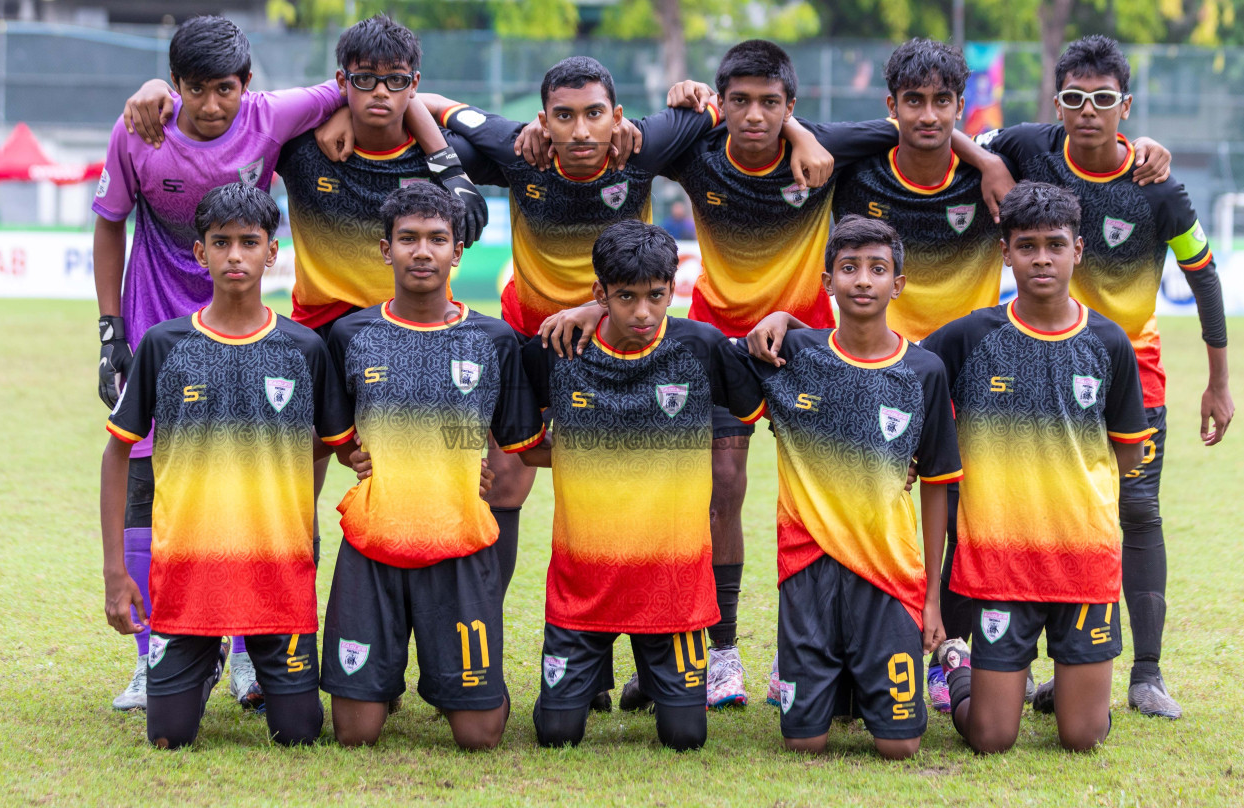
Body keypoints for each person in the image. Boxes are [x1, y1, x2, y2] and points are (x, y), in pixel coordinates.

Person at [539, 39, 1001, 708]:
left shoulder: (826, 146)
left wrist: (983, 156)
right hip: (714, 345)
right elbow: (618, 134)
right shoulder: (695, 145)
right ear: (720, 105)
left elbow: (915, 126)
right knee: (720, 488)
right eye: (740, 102)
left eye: (771, 105)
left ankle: (856, 652)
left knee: (842, 489)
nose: (755, 116)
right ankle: (719, 655)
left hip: (806, 346)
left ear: (793, 107)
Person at [817, 36, 1170, 711]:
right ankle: (846, 665)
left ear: (962, 105)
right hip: (878, 370)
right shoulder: (860, 166)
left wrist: (1141, 144)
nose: (929, 115)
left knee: (956, 518)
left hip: (969, 378)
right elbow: (814, 134)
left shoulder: (1004, 165)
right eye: (913, 103)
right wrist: (972, 149)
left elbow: (1071, 134)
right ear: (892, 107)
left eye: (943, 102)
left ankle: (956, 652)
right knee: (865, 515)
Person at [410, 55, 826, 616]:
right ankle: (478, 636)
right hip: (533, 339)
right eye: (564, 115)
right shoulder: (516, 147)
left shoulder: (643, 147)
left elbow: (718, 107)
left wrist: (773, 122)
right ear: (542, 120)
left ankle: (648, 644)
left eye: (594, 114)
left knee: (632, 479)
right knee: (503, 484)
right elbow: (427, 102)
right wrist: (447, 165)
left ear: (618, 116)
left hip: (620, 342)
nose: (581, 131)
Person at [93, 15, 347, 712]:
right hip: (158, 334)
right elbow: (109, 221)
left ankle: (246, 654)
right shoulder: (140, 131)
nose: (212, 106)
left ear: (248, 85)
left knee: (248, 488)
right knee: (149, 487)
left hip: (253, 331)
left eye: (226, 90)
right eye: (197, 90)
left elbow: (362, 87)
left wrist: (337, 122)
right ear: (173, 88)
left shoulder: (270, 117)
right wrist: (112, 330)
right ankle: (156, 658)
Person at [981, 36, 1233, 719]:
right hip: (1040, 367)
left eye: (1101, 100)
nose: (1086, 112)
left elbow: (1203, 275)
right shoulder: (1032, 148)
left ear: (1125, 106)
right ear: (1057, 103)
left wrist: (1218, 380)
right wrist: (990, 170)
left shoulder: (1159, 187)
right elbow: (963, 137)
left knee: (1138, 511)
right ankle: (1053, 666)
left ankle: (1146, 674)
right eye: (1072, 98)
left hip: (1133, 377)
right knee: (1044, 508)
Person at [100, 184, 348, 749]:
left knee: (299, 735)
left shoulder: (304, 348)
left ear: (271, 252)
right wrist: (116, 572)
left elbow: (336, 442)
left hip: (277, 574)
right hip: (188, 576)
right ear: (199, 253)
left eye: (248, 242)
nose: (235, 255)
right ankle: (203, 658)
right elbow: (117, 453)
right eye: (221, 242)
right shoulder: (164, 344)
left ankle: (253, 660)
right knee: (169, 737)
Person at [922, 181, 1153, 754]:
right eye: (1027, 246)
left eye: (1055, 244)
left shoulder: (1108, 342)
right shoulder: (970, 336)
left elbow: (1126, 451)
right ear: (1005, 252)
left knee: (1082, 736)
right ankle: (956, 663)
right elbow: (897, 370)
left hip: (1084, 559)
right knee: (991, 737)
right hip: (1001, 562)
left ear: (1079, 250)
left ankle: (1067, 687)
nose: (1042, 258)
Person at [517, 220, 766, 750]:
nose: (643, 313)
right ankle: (593, 679)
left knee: (685, 738)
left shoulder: (701, 347)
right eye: (625, 297)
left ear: (674, 287)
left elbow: (781, 381)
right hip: (582, 583)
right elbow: (521, 436)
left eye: (657, 296)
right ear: (598, 293)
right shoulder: (557, 348)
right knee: (556, 735)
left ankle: (652, 680)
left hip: (672, 586)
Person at [318, 184, 545, 749]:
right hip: (374, 542)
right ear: (385, 249)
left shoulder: (493, 338)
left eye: (437, 239)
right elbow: (336, 437)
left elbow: (517, 440)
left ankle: (470, 683)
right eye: (409, 239)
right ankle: (382, 680)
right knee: (355, 734)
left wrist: (470, 465)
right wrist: (355, 455)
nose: (423, 251)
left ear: (458, 251)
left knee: (480, 737)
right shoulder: (350, 334)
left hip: (460, 544)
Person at [118, 13, 491, 340]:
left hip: (419, 325)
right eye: (364, 81)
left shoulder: (440, 151)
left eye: (395, 81)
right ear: (344, 84)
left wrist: (452, 170)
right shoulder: (300, 148)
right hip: (321, 331)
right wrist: (158, 89)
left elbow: (512, 144)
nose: (380, 92)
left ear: (412, 84)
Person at [740, 215, 961, 757]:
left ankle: (956, 674)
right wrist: (780, 317)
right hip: (806, 567)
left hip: (889, 571)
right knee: (804, 745)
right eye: (849, 268)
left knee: (900, 748)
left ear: (898, 284)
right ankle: (824, 681)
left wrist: (933, 598)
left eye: (877, 269)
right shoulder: (791, 356)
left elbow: (936, 484)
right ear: (828, 281)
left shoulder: (925, 370)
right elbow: (696, 345)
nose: (863, 280)